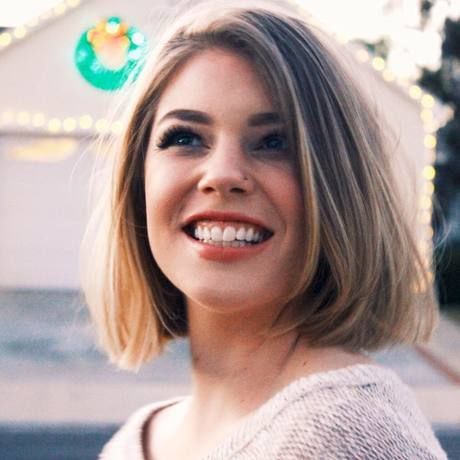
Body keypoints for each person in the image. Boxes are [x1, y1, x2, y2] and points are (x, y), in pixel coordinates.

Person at [82, 1, 448, 458]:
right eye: (185, 138)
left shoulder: (349, 433)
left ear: (338, 186)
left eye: (275, 142)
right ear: (137, 182)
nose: (222, 174)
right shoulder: (136, 439)